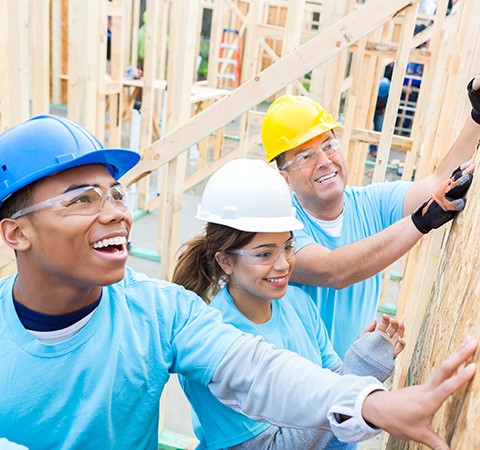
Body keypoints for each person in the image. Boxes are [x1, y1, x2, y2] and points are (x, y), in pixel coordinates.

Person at [0, 114, 476, 450]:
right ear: (16, 232)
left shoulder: (163, 312)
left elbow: (259, 370)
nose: (117, 212)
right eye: (83, 199)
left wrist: (367, 399)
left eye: (116, 193)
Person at [173, 159, 406, 450]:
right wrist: (361, 372)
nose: (284, 265)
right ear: (225, 261)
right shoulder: (213, 344)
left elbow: (330, 380)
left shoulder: (298, 302)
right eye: (264, 255)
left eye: (287, 246)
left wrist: (358, 362)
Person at [261, 75, 480, 358]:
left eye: (329, 146)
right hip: (301, 388)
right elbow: (333, 270)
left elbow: (439, 181)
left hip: (351, 379)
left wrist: (476, 116)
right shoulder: (281, 228)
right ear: (285, 178)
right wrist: (419, 222)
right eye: (306, 156)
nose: (325, 161)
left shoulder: (371, 203)